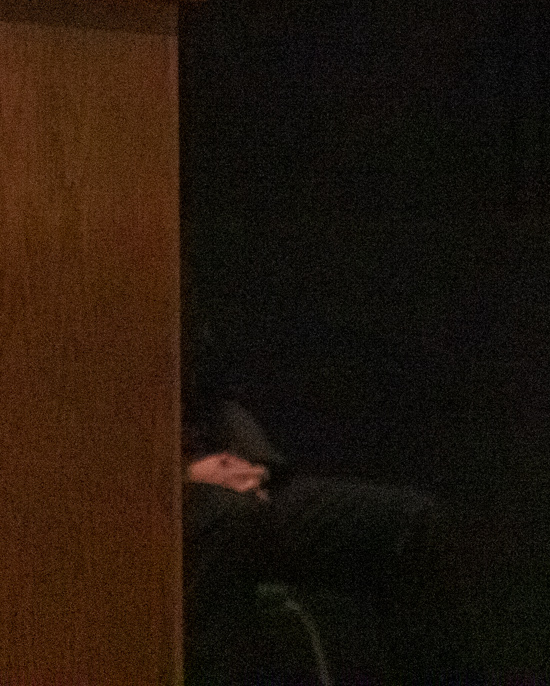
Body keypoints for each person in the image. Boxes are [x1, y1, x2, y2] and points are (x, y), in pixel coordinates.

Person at [182, 270, 465, 683]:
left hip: (218, 465)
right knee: (229, 519)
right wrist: (181, 473)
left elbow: (211, 393)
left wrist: (249, 464)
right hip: (153, 492)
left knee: (409, 526)